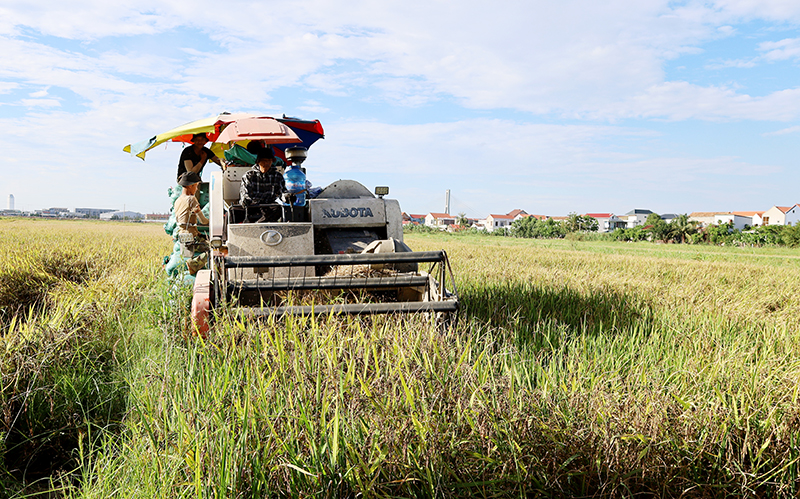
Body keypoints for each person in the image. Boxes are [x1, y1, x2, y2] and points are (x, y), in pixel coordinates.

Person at [239, 149, 285, 223]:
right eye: (264, 161)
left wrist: (287, 197)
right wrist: (245, 200)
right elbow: (244, 193)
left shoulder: (277, 176)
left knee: (280, 209)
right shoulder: (249, 175)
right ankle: (227, 234)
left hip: (269, 207)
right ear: (258, 162)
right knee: (231, 212)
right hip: (252, 206)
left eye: (269, 161)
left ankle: (257, 225)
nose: (266, 163)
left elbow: (282, 193)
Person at [174, 172, 210, 264]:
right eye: (196, 186)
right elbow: (203, 221)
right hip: (192, 236)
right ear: (190, 186)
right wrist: (211, 221)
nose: (197, 189)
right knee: (214, 248)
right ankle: (193, 265)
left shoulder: (177, 201)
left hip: (182, 235)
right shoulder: (191, 199)